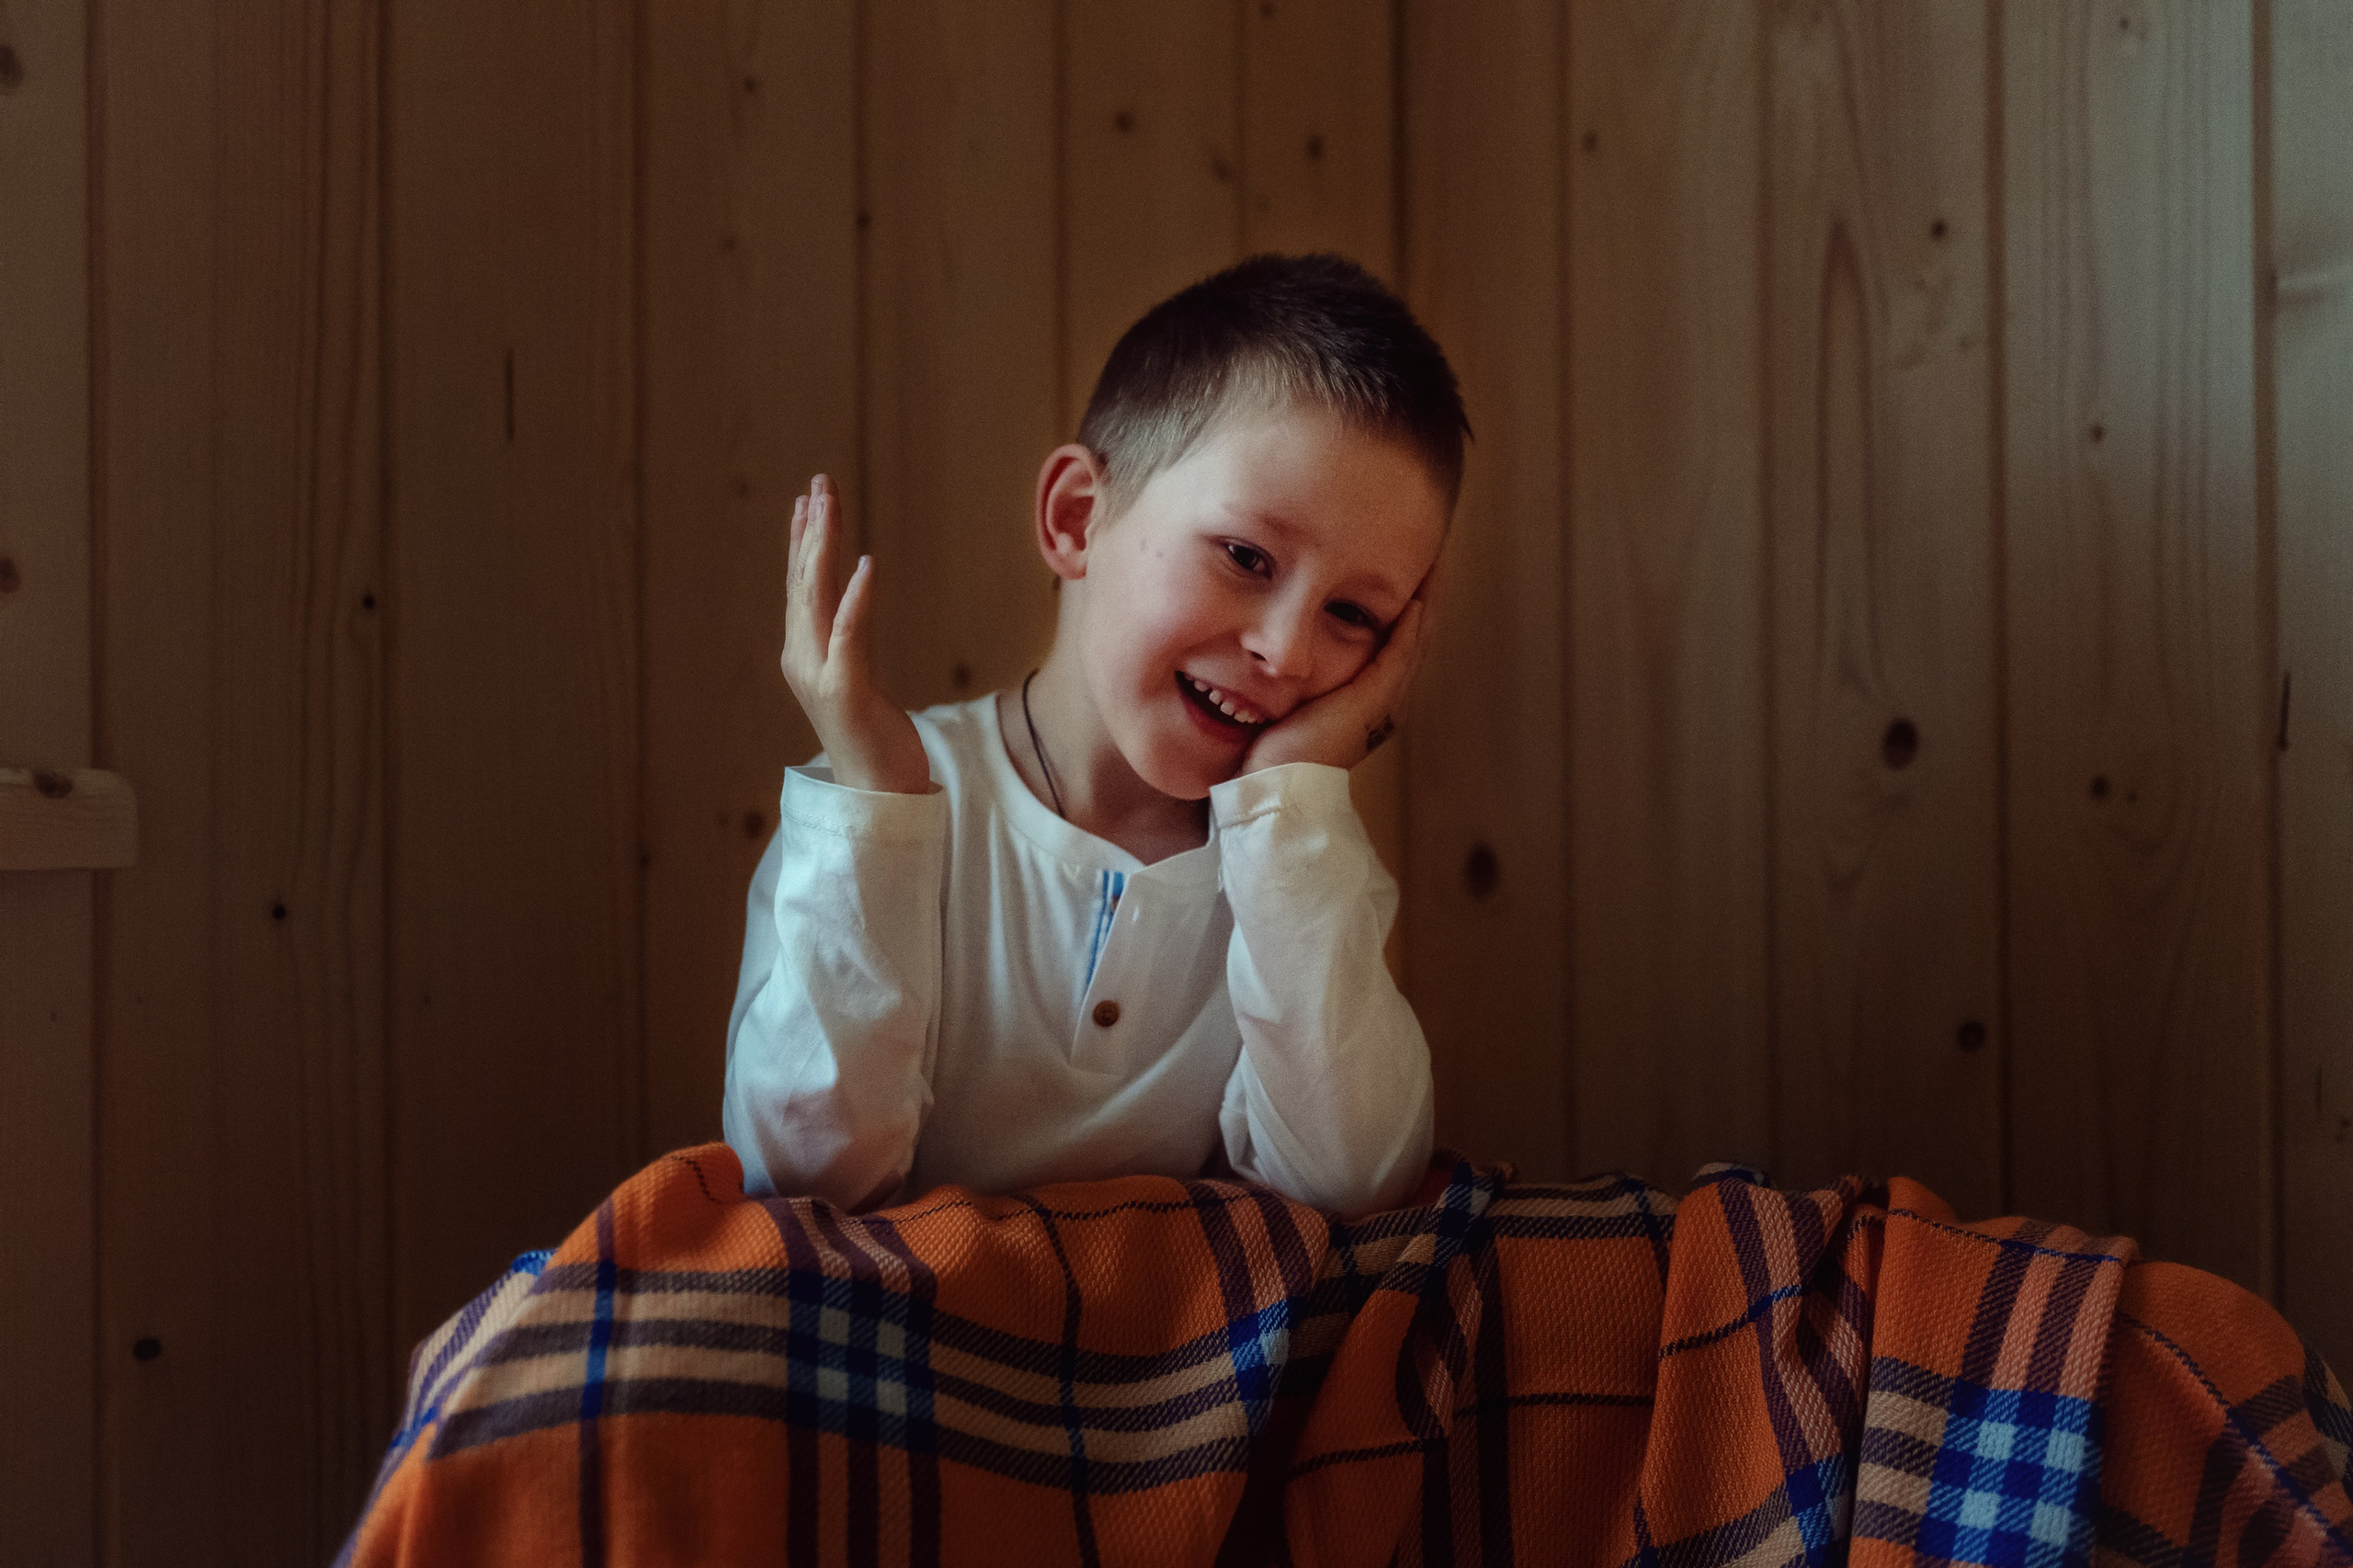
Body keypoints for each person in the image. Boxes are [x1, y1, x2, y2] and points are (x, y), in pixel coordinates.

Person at [721, 253, 1466, 1220]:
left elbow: (1352, 1182)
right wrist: (877, 808)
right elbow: (798, 1186)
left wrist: (1286, 803)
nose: (1284, 650)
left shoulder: (1300, 861)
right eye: (1246, 557)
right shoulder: (871, 812)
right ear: (1077, 519)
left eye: (1354, 616)